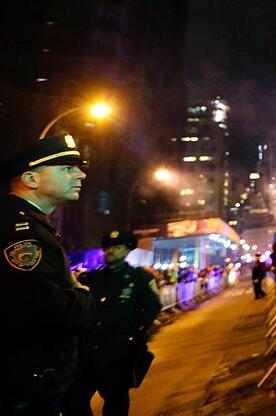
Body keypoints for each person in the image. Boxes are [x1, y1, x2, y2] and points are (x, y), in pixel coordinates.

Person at [0, 134, 94, 416]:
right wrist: (82, 297)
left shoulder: (31, 225)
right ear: (31, 180)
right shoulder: (21, 232)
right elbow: (44, 309)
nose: (80, 174)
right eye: (66, 168)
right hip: (26, 388)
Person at [63, 230, 161, 416]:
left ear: (127, 251)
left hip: (118, 354)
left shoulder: (140, 279)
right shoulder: (91, 278)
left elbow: (151, 309)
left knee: (116, 403)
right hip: (87, 353)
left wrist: (133, 336)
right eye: (108, 247)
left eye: (117, 247)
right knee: (73, 400)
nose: (110, 251)